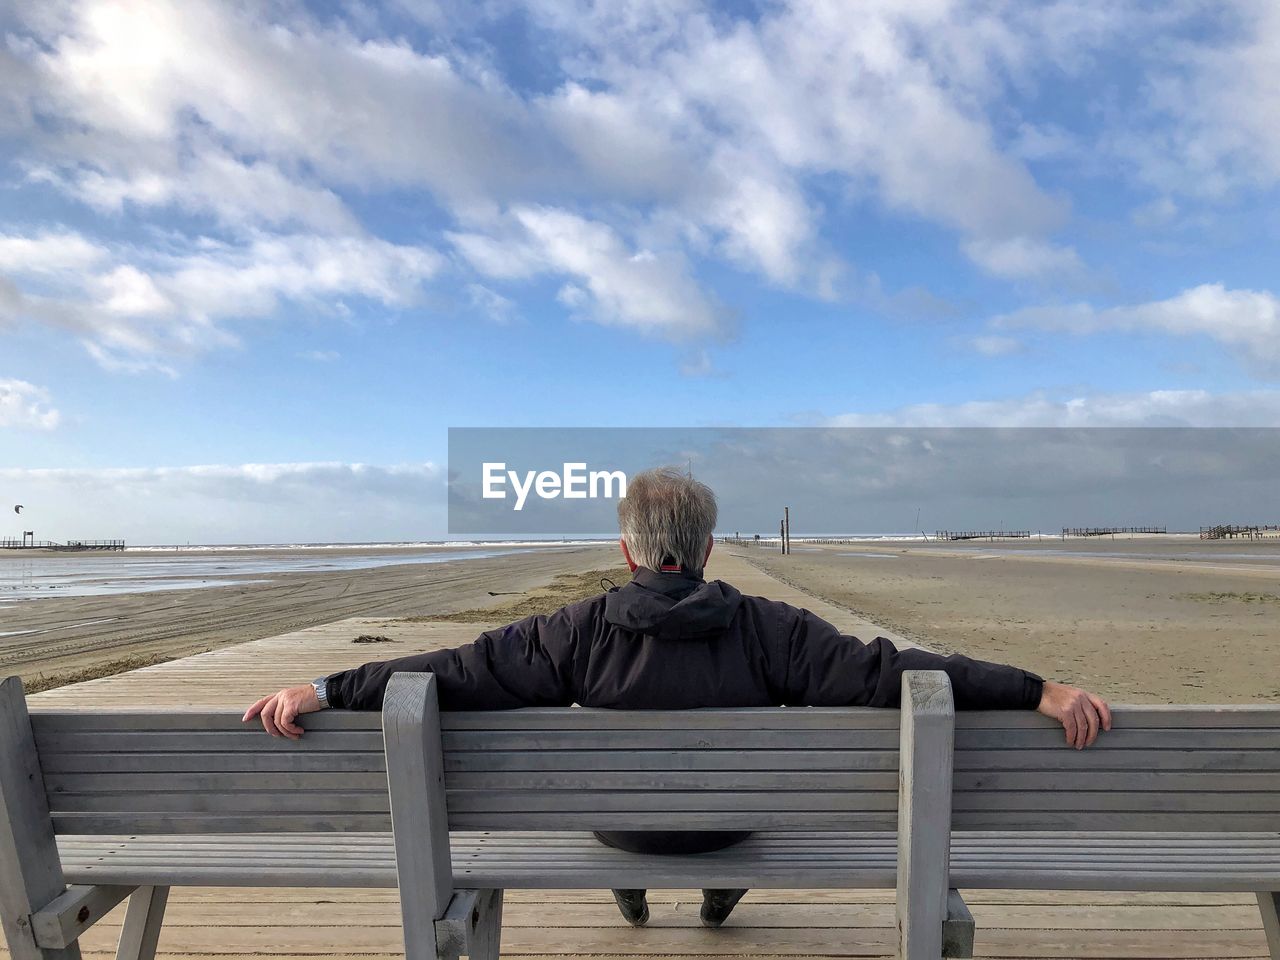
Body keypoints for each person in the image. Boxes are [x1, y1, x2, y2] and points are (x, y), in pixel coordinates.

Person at [245, 466, 1111, 928]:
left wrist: (325, 687)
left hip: (619, 822)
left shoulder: (573, 632)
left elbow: (451, 671)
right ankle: (719, 891)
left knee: (625, 814)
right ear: (705, 553)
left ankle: (631, 888)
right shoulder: (774, 629)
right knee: (733, 811)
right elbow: (898, 672)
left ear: (628, 554)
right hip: (729, 821)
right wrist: (1037, 687)